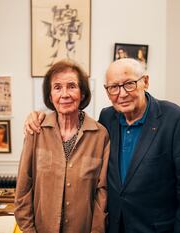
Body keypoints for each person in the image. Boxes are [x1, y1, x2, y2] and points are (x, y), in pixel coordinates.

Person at [24, 58, 180, 233]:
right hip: (114, 225)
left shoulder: (176, 119)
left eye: (129, 84)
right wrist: (38, 116)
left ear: (145, 82)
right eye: (114, 87)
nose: (122, 93)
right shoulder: (107, 119)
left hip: (155, 227)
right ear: (107, 90)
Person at [15, 60, 110, 233]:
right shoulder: (36, 130)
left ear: (82, 94)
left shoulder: (100, 135)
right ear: (50, 96)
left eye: (72, 86)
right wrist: (29, 230)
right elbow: (23, 188)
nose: (64, 94)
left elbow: (101, 193)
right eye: (57, 87)